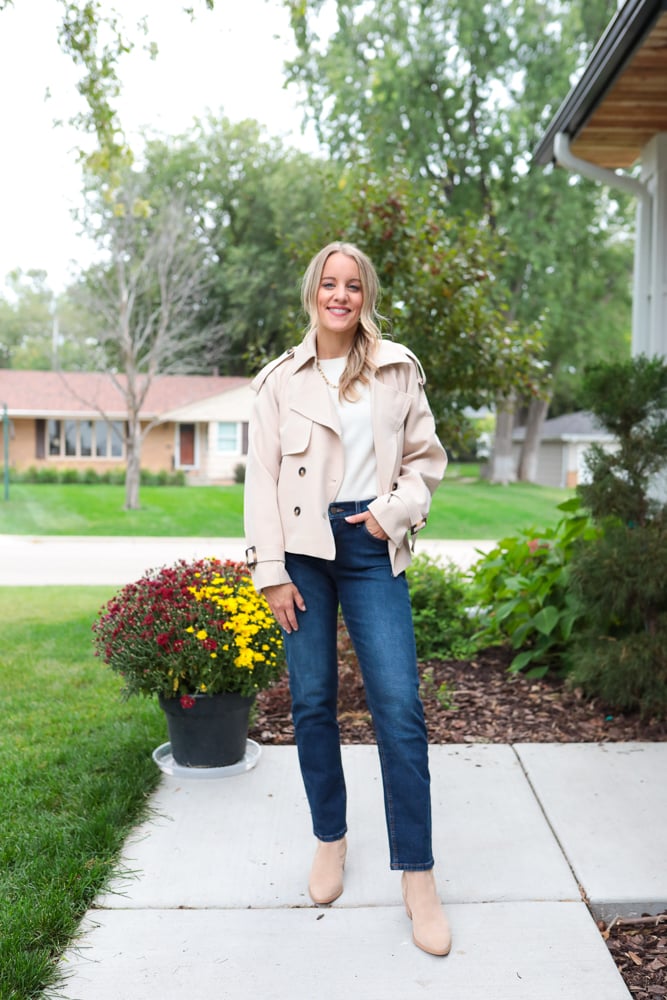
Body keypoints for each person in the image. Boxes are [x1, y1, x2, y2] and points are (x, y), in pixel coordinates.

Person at [243, 241, 450, 956]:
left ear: (365, 295)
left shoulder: (396, 369)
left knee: (398, 706)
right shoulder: (278, 381)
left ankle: (417, 876)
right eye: (328, 284)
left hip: (371, 546)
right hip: (301, 556)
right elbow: (261, 482)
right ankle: (329, 838)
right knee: (310, 701)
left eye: (352, 285)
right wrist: (269, 571)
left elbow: (425, 461)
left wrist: (392, 512)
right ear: (312, 293)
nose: (339, 295)